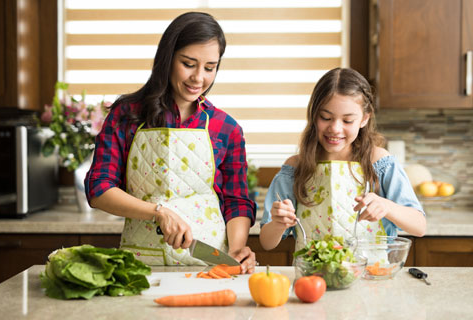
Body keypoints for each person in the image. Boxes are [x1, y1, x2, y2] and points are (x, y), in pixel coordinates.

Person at [85, 12, 257, 273]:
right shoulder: (127, 115)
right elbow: (98, 189)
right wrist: (158, 212)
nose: (199, 78)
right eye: (189, 63)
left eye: (210, 68)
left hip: (209, 265)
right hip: (142, 265)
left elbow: (237, 201)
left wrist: (236, 249)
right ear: (167, 58)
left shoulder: (226, 128)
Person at [259, 67, 426, 252]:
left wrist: (387, 206)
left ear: (364, 119)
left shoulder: (379, 162)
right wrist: (278, 223)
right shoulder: (295, 167)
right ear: (314, 115)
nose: (335, 128)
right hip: (314, 278)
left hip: (371, 275)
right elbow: (267, 242)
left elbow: (419, 226)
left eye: (347, 121)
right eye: (326, 117)